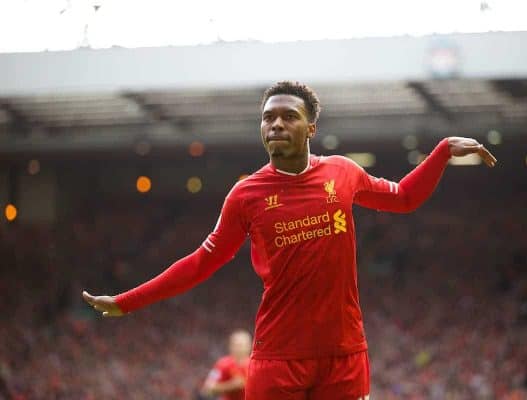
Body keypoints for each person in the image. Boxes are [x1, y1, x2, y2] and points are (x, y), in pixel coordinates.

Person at [83, 81, 497, 399]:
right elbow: (200, 262)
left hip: (344, 355)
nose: (276, 123)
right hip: (278, 360)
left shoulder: (343, 173)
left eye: (288, 116)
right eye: (268, 117)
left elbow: (405, 198)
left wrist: (441, 151)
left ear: (310, 127)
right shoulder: (246, 195)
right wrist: (127, 301)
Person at [198, 330, 252, 400]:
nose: (239, 348)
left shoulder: (255, 366)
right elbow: (207, 389)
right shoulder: (222, 364)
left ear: (250, 345)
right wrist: (231, 385)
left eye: (241, 345)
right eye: (236, 345)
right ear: (230, 346)